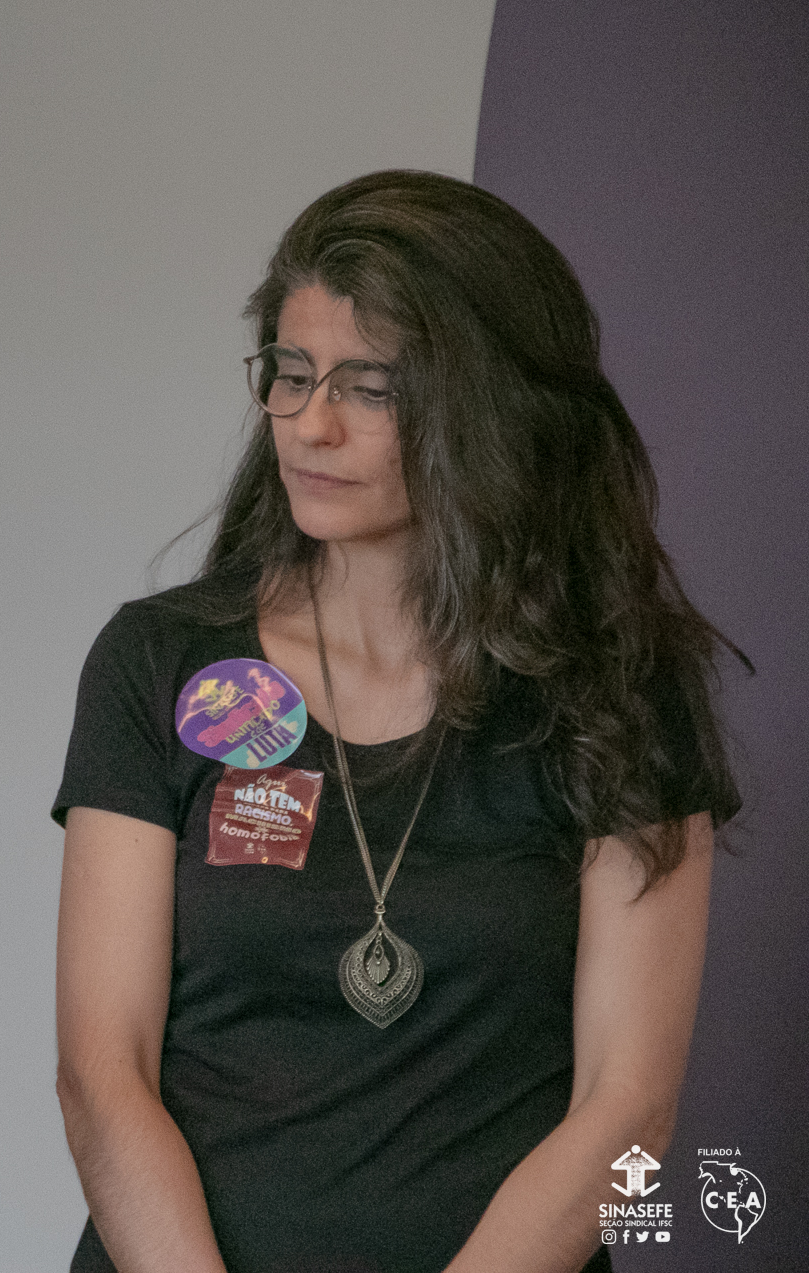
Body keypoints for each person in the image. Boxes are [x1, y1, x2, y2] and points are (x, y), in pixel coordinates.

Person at [52, 170, 738, 1273]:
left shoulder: (618, 689)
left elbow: (630, 1116)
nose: (309, 425)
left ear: (492, 407)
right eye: (290, 374)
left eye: (370, 389)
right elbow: (102, 1073)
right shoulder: (160, 661)